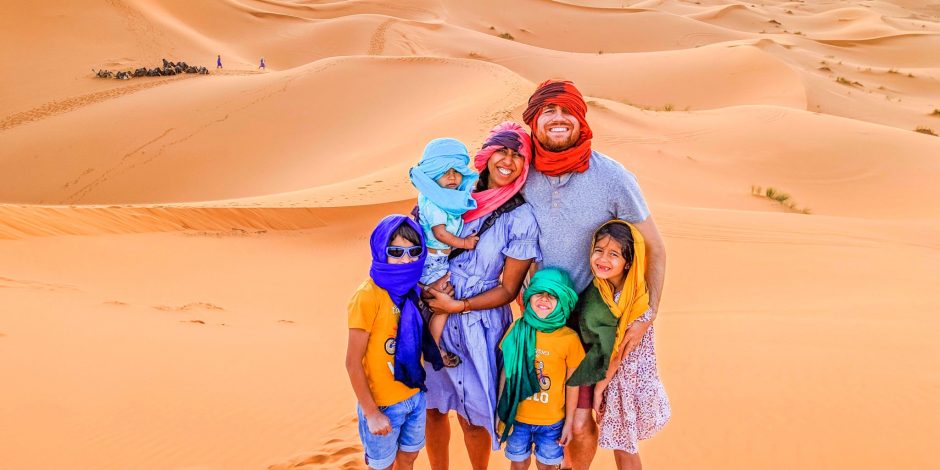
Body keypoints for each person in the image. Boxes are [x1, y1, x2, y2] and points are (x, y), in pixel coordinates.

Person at [520, 79, 667, 470]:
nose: (558, 118)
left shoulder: (613, 177)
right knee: (543, 418)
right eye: (548, 111)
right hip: (536, 319)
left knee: (582, 421)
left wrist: (647, 314)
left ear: (581, 120)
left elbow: (655, 248)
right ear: (533, 120)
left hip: (591, 323)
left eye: (567, 110)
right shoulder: (519, 173)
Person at [422, 121, 539, 470]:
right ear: (487, 155)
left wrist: (459, 305)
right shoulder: (453, 195)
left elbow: (508, 288)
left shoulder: (521, 217)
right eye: (502, 150)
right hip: (432, 313)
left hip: (481, 325)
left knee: (473, 418)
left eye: (519, 155)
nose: (509, 160)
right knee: (431, 408)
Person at [566, 220, 670, 469]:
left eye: (614, 254)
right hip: (614, 380)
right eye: (599, 250)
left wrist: (600, 388)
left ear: (629, 262)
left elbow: (620, 351)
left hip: (628, 384)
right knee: (622, 446)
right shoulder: (599, 290)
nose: (603, 259)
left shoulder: (637, 300)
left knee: (625, 449)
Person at [345, 215, 437, 470]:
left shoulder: (412, 290)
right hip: (382, 404)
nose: (406, 260)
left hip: (415, 396)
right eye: (396, 252)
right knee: (382, 466)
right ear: (380, 251)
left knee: (408, 459)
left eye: (414, 252)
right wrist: (372, 413)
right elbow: (352, 363)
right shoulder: (367, 297)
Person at [498, 268, 585, 470]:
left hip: (553, 423)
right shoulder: (517, 328)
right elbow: (506, 372)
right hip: (518, 418)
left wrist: (569, 422)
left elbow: (573, 385)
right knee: (518, 464)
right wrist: (500, 413)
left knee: (547, 466)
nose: (544, 299)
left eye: (553, 295)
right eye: (539, 292)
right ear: (529, 296)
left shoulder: (569, 339)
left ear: (563, 301)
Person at [409, 138, 480, 367]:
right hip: (433, 261)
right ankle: (434, 348)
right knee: (442, 306)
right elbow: (440, 233)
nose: (452, 177)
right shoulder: (435, 202)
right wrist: (465, 243)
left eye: (457, 172)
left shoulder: (445, 199)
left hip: (438, 260)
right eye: (445, 172)